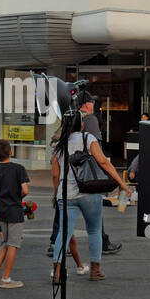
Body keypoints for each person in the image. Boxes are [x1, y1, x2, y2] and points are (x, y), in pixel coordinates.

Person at [51, 111, 130, 282]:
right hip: (90, 191)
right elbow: (103, 162)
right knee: (94, 230)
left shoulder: (59, 144)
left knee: (64, 232)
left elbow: (55, 175)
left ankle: (57, 272)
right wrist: (121, 183)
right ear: (81, 124)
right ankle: (95, 270)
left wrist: (57, 194)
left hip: (67, 194)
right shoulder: (88, 139)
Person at [79, 93, 122, 255]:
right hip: (89, 175)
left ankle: (56, 243)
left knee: (66, 215)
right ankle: (102, 246)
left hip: (72, 176)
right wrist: (117, 179)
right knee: (95, 214)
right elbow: (98, 155)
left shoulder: (70, 118)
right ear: (88, 104)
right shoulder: (90, 120)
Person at [0, 139, 29, 289]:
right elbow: (25, 190)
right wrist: (18, 199)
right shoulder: (19, 169)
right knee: (13, 244)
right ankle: (6, 278)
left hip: (1, 211)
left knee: (4, 242)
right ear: (10, 152)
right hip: (15, 210)